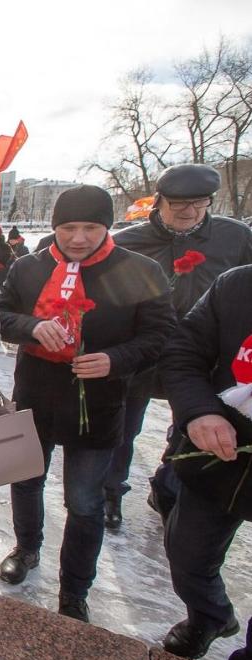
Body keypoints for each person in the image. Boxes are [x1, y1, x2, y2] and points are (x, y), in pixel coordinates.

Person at [0, 185, 175, 622]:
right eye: (68, 227)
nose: (77, 238)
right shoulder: (28, 266)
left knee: (85, 501)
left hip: (100, 401)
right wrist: (33, 327)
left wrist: (116, 359)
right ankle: (27, 548)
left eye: (90, 228)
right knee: (26, 480)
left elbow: (161, 335)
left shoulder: (140, 269)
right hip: (37, 393)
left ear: (106, 227)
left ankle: (75, 588)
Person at [106, 164, 252, 527]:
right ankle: (111, 490)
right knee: (125, 426)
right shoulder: (128, 242)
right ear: (159, 203)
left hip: (206, 357)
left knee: (194, 423)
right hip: (144, 353)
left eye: (199, 203)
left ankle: (170, 487)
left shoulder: (235, 237)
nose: (189, 212)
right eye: (178, 204)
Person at [158, 265, 251, 660]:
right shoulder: (237, 285)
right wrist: (199, 413)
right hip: (219, 458)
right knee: (188, 555)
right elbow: (183, 352)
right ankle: (210, 615)